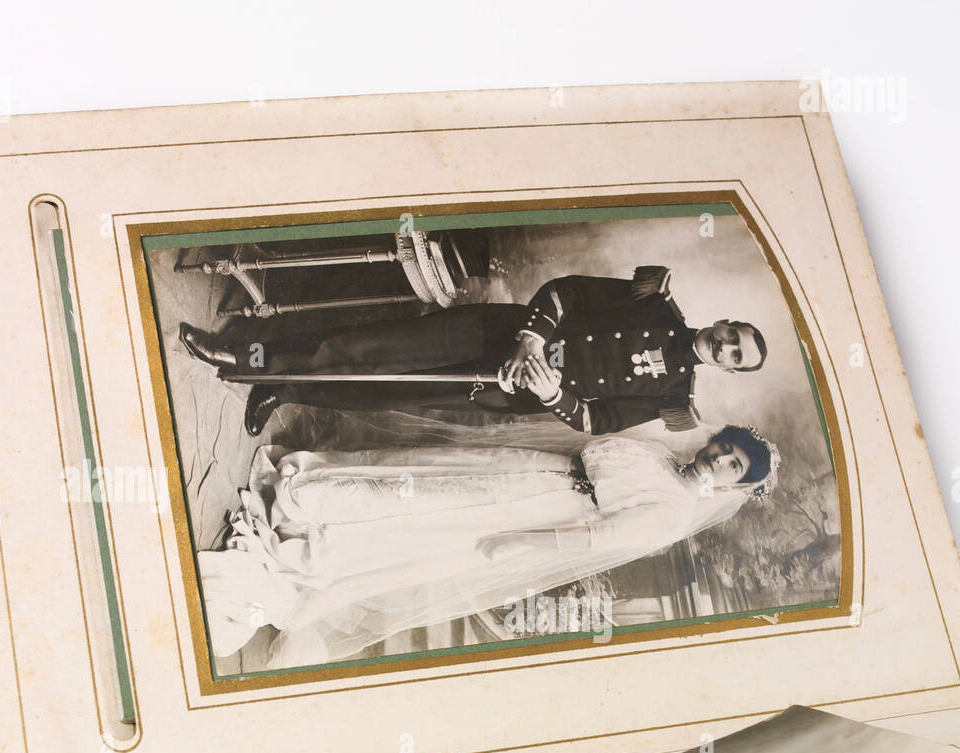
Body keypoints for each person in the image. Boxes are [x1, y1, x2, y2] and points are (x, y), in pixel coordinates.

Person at [198, 423, 774, 667]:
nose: (720, 459)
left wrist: (516, 542)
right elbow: (596, 451)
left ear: (736, 484)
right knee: (418, 488)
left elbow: (596, 536)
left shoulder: (672, 512)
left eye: (733, 466)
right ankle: (300, 510)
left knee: (420, 528)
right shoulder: (663, 456)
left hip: (537, 514)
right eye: (727, 448)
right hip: (529, 472)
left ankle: (301, 561)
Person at [178, 265, 767, 437]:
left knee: (381, 394)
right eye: (733, 334)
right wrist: (532, 337)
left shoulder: (674, 400)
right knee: (365, 345)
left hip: (509, 393)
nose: (727, 345)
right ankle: (243, 352)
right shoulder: (653, 300)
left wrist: (551, 392)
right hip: (495, 333)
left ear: (727, 369)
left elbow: (598, 420)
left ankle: (281, 388)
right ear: (724, 320)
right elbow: (567, 292)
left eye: (735, 355)